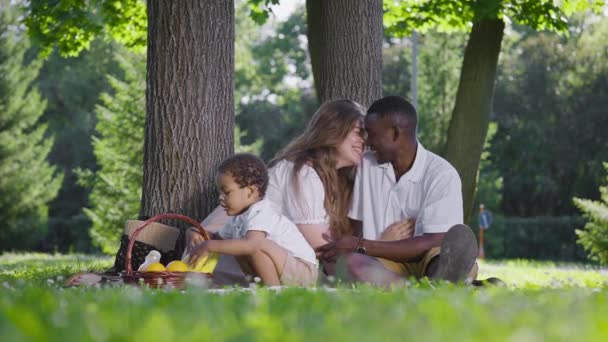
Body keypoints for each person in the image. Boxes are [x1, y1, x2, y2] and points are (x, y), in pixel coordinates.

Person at [188, 99, 367, 278]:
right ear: (333, 130)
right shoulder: (300, 173)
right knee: (259, 245)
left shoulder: (332, 179)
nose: (364, 140)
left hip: (251, 260)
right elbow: (323, 250)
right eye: (359, 132)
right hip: (223, 265)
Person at [316, 96, 478, 285]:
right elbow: (356, 226)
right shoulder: (366, 165)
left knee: (443, 255)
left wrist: (360, 245)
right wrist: (349, 247)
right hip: (383, 263)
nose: (367, 142)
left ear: (395, 133)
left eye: (372, 133)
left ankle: (442, 280)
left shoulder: (442, 174)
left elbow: (433, 241)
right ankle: (433, 288)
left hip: (428, 259)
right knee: (351, 263)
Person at [187, 153, 318, 286]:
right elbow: (217, 239)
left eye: (226, 192)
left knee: (254, 245)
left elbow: (252, 245)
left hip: (302, 270)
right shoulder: (238, 218)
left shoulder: (261, 211)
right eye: (219, 193)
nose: (220, 198)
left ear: (250, 192)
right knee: (237, 246)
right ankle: (259, 288)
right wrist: (196, 232)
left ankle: (273, 293)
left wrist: (208, 246)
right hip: (284, 269)